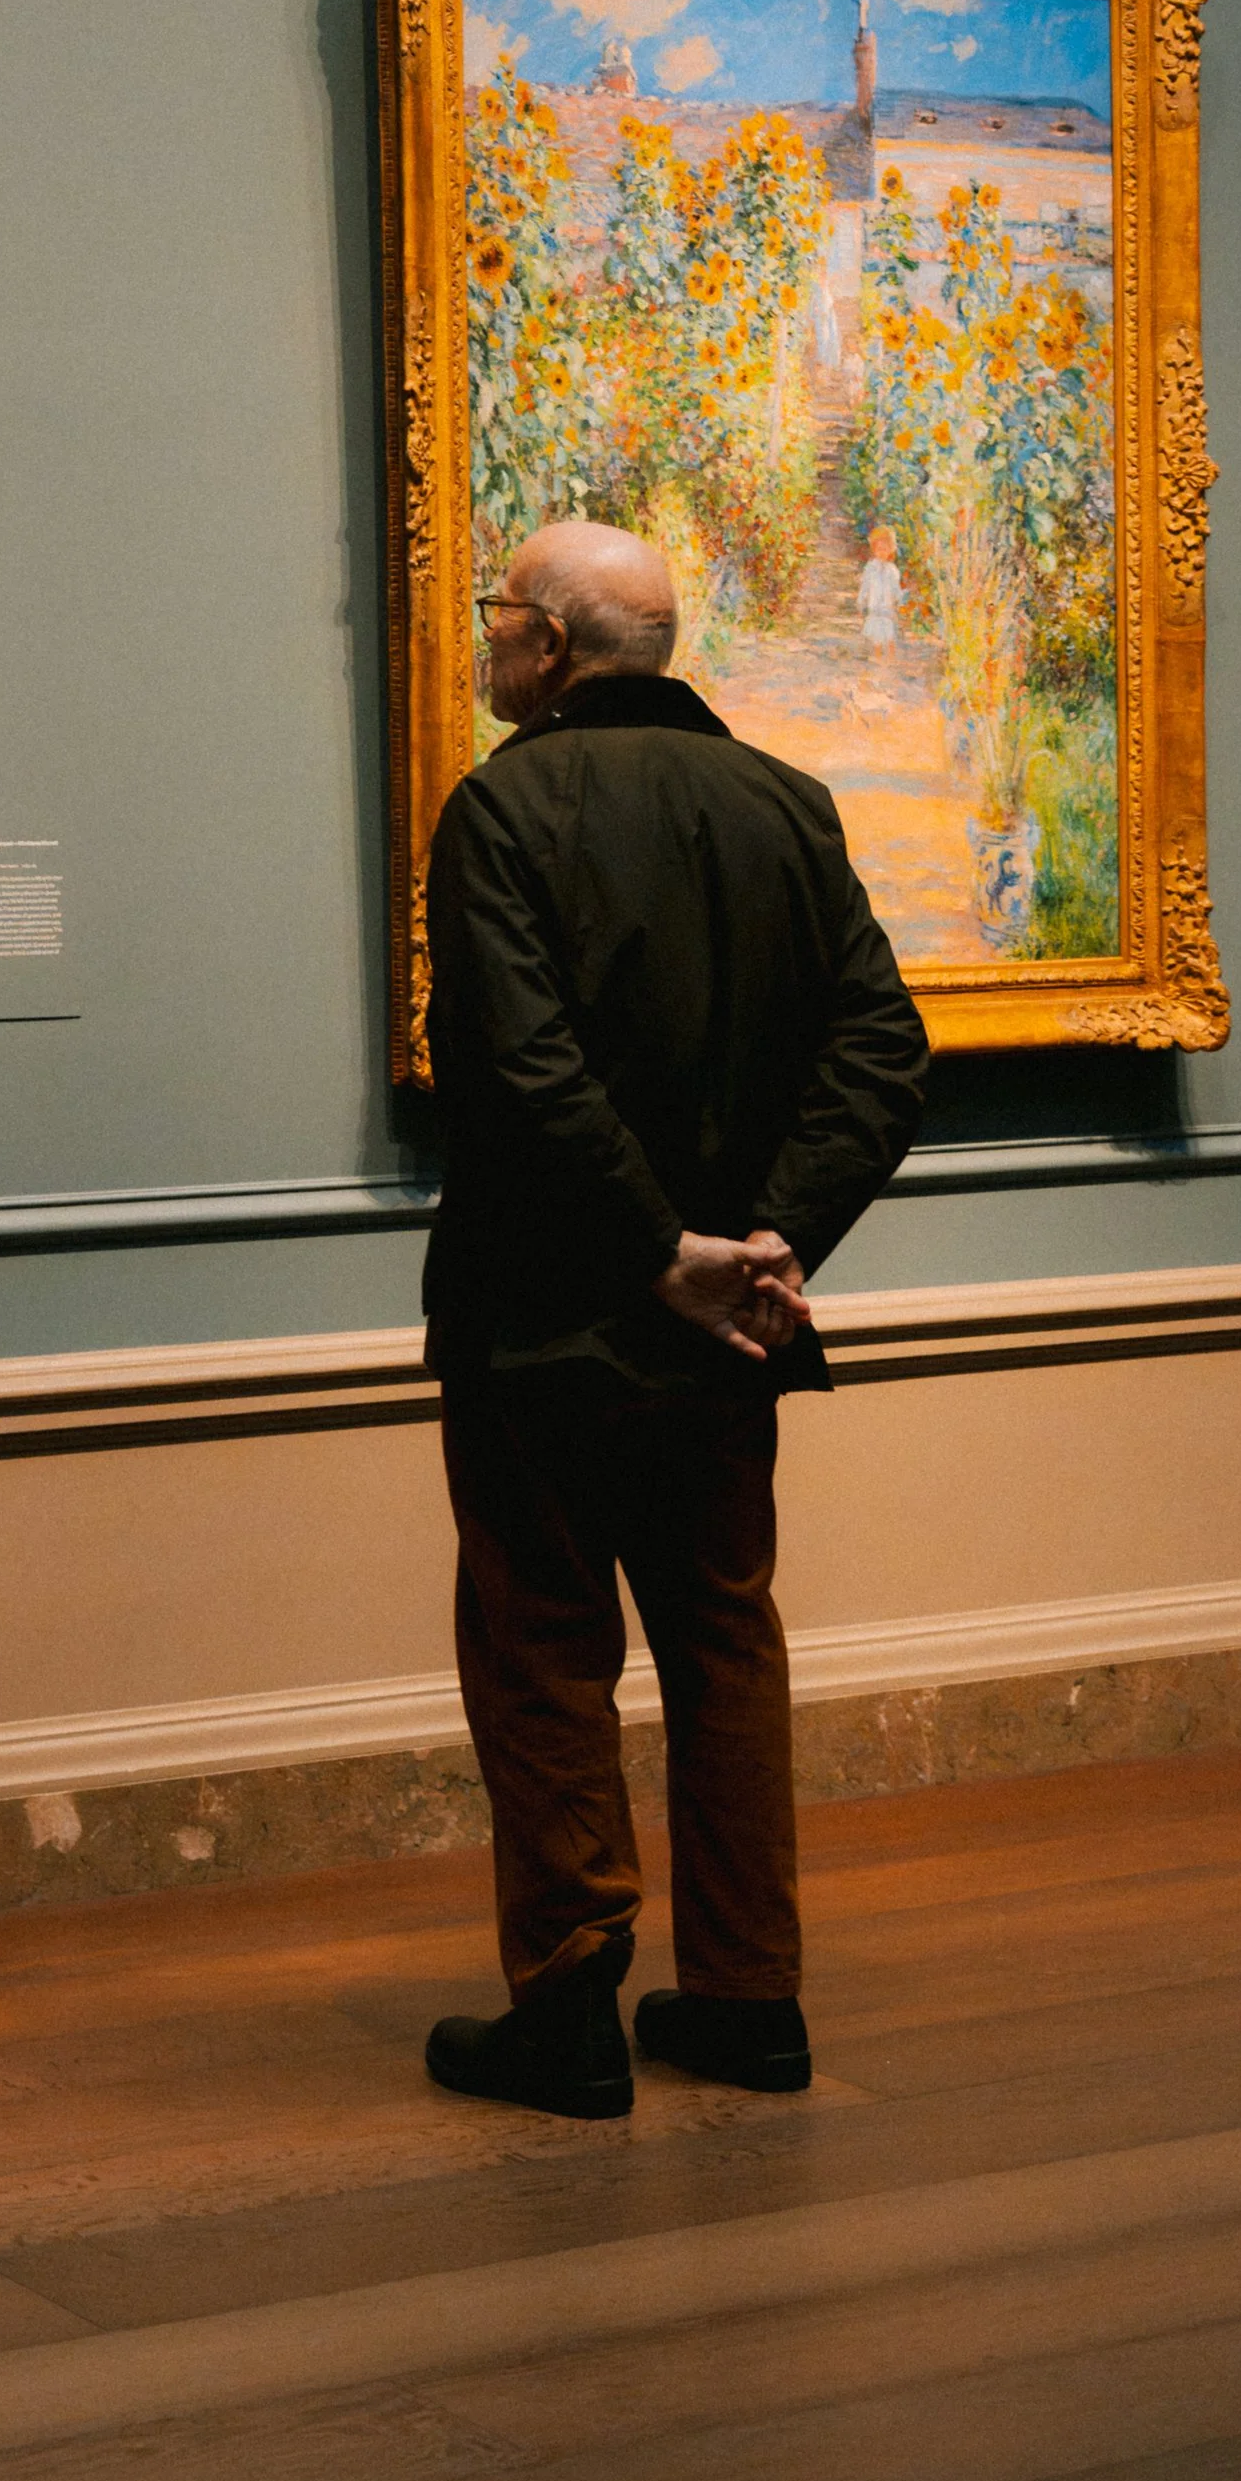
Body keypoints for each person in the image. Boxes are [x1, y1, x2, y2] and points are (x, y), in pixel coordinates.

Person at [421, 519, 928, 2120]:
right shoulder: (787, 802)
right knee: (725, 1645)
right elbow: (884, 1051)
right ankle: (750, 1997)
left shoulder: (504, 807)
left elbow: (519, 1068)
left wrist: (659, 1251)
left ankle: (570, 2011)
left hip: (544, 1328)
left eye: (502, 616)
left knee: (545, 1653)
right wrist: (773, 1240)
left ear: (555, 649)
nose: (490, 641)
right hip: (731, 1339)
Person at [857, 524, 903, 659]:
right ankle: (878, 658)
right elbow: (865, 586)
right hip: (874, 607)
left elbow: (896, 588)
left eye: (885, 549)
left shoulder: (892, 570)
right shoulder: (870, 568)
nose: (882, 552)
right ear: (874, 550)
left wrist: (900, 601)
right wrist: (861, 600)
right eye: (879, 549)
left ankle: (891, 658)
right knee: (876, 635)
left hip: (887, 609)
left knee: (889, 635)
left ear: (890, 550)